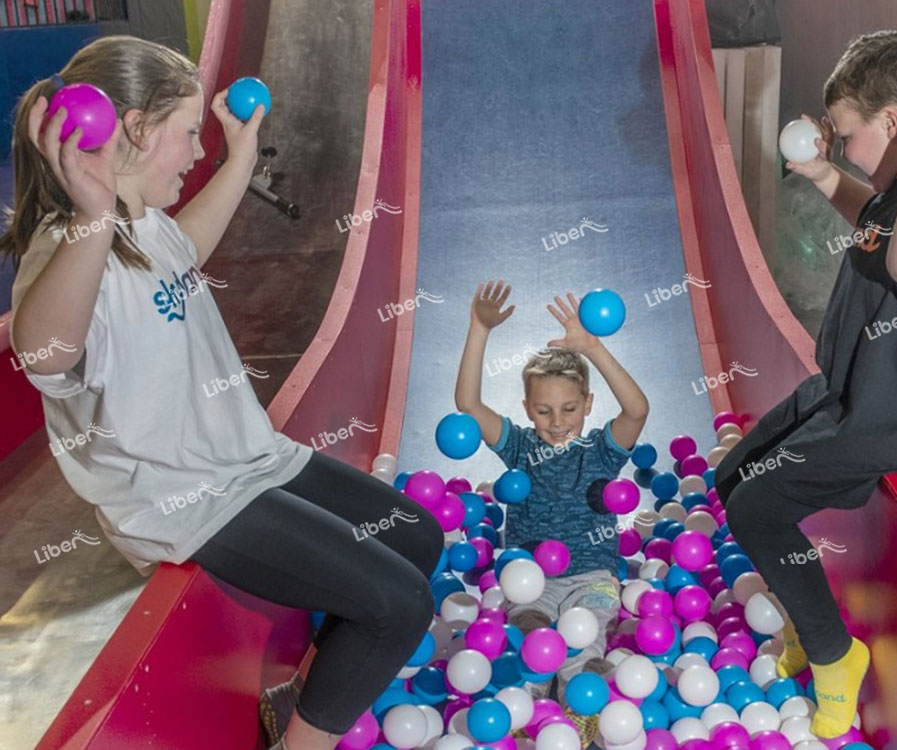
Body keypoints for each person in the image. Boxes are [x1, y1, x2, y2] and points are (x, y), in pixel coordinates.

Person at [0, 36, 443, 750]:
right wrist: (89, 216)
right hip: (182, 495)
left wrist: (241, 156)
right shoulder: (72, 248)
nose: (193, 152)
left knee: (417, 536)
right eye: (186, 134)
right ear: (136, 131)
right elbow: (45, 354)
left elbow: (189, 247)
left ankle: (307, 691)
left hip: (247, 459)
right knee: (399, 604)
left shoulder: (147, 226)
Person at [713, 31, 897, 739]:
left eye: (846, 135)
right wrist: (821, 177)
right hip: (843, 392)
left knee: (758, 509)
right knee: (731, 478)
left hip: (885, 417)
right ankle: (811, 627)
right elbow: (874, 226)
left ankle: (837, 656)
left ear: (894, 122)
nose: (839, 148)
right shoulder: (895, 197)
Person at [455, 280, 649, 726]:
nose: (557, 422)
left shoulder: (601, 452)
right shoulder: (519, 448)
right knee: (531, 644)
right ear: (526, 408)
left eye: (569, 409)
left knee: (582, 641)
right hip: (532, 581)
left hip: (592, 577)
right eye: (544, 411)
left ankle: (585, 710)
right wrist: (479, 329)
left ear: (588, 404)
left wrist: (593, 349)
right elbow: (468, 404)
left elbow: (637, 410)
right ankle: (527, 718)